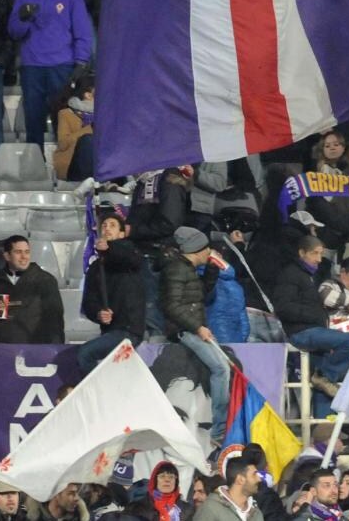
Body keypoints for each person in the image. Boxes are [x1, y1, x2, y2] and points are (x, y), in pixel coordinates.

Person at [7, 0, 93, 148]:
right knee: (33, 120)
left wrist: (81, 61)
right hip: (32, 67)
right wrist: (23, 19)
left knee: (62, 121)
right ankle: (34, 168)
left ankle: (62, 170)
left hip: (61, 66)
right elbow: (13, 32)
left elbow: (82, 31)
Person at [161, 227, 232, 446]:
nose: (210, 252)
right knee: (221, 368)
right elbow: (171, 306)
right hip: (185, 330)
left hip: (193, 327)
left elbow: (199, 296)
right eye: (207, 249)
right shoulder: (176, 270)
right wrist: (197, 327)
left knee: (224, 366)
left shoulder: (186, 269)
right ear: (197, 249)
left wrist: (212, 270)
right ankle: (219, 431)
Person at [275, 234, 349, 399]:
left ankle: (322, 422)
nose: (319, 259)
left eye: (321, 254)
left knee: (323, 385)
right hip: (302, 332)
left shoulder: (308, 276)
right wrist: (315, 315)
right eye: (315, 253)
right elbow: (283, 307)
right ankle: (324, 375)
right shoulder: (290, 274)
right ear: (302, 253)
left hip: (312, 330)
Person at [77, 213, 147, 372]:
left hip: (129, 330)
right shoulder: (95, 267)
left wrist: (110, 248)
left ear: (122, 234)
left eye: (113, 225)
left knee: (85, 354)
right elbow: (89, 301)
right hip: (110, 331)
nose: (107, 228)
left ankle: (97, 393)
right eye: (104, 225)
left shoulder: (131, 252)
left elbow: (131, 258)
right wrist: (98, 313)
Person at [0, 235, 65, 343]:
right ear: (7, 256)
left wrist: (53, 349)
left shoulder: (45, 280)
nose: (24, 256)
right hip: (2, 348)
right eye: (18, 252)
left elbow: (55, 319)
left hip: (34, 348)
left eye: (27, 252)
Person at [53, 74, 95, 181]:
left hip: (100, 166)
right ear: (88, 95)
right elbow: (62, 144)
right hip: (72, 165)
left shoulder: (106, 115)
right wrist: (90, 128)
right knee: (88, 140)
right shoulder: (66, 114)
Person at [194, 458, 262, 521]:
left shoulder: (256, 513)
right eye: (254, 474)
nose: (259, 479)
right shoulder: (210, 509)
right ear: (240, 479)